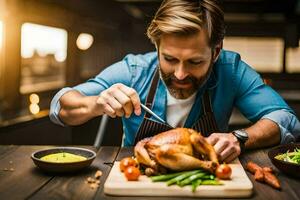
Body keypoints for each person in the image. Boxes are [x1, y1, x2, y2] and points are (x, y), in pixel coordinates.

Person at [50, 0, 300, 163]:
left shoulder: (231, 70)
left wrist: (240, 137)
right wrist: (96, 103)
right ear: (156, 47)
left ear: (215, 51)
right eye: (169, 59)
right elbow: (60, 106)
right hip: (137, 181)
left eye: (195, 62)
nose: (180, 74)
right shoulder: (134, 70)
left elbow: (285, 118)